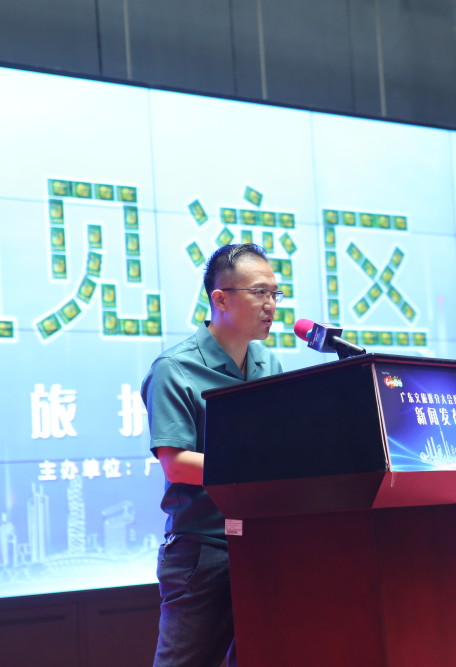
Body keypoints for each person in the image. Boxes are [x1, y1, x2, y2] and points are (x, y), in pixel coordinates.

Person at [141, 243, 284, 667]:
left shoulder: (267, 362)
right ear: (220, 299)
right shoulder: (175, 368)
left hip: (265, 542)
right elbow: (176, 463)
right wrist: (256, 471)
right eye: (259, 292)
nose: (271, 305)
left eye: (275, 293)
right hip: (203, 550)